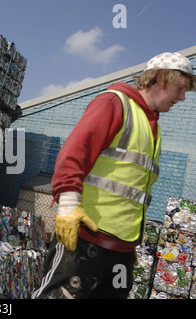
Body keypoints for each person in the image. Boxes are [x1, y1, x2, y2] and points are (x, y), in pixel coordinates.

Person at [32, 52, 195, 299]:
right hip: (85, 240)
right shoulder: (114, 103)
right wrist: (67, 206)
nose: (182, 98)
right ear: (161, 77)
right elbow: (75, 152)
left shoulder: (153, 127)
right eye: (180, 88)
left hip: (122, 250)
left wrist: (130, 245)